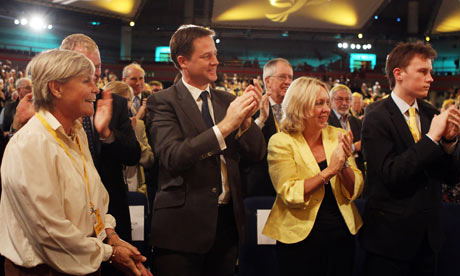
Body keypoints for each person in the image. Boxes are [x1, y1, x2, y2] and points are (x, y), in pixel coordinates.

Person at [0, 49, 151, 276]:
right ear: (56, 88)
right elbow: (49, 232)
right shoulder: (30, 143)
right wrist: (109, 252)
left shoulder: (76, 133)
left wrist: (111, 236)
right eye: (85, 81)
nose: (95, 89)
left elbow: (95, 198)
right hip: (42, 270)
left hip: (84, 261)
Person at [145, 24, 266, 276]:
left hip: (226, 226)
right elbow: (172, 157)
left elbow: (257, 153)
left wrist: (245, 124)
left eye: (215, 54)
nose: (216, 62)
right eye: (206, 56)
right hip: (181, 230)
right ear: (183, 61)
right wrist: (226, 126)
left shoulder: (227, 100)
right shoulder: (162, 101)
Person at [359, 41, 460, 276]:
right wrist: (432, 137)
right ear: (399, 74)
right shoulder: (375, 116)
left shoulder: (430, 113)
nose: (430, 79)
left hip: (429, 238)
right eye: (423, 72)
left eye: (431, 72)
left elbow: (451, 176)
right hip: (389, 241)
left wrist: (448, 143)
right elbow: (392, 174)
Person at [262, 76, 363, 276]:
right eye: (319, 103)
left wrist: (343, 166)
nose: (327, 109)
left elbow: (356, 189)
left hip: (341, 234)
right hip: (298, 239)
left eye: (327, 102)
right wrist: (329, 171)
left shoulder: (337, 135)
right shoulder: (281, 142)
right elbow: (290, 193)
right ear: (300, 106)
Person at [60, 34, 141, 246]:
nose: (95, 73)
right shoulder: (51, 106)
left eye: (97, 65)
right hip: (66, 218)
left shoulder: (113, 102)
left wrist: (107, 134)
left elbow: (133, 155)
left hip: (111, 213)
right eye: (87, 65)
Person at [243, 58, 293, 197]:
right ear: (268, 81)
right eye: (283, 77)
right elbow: (243, 146)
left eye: (290, 77)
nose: (288, 81)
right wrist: (261, 120)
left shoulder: (296, 111)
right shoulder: (251, 107)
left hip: (292, 186)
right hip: (261, 186)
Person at [105, 81, 154, 195]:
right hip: (109, 192)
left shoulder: (138, 125)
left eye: (127, 100)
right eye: (120, 100)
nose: (124, 104)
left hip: (136, 192)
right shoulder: (99, 128)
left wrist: (132, 136)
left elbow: (149, 161)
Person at [328, 84, 364, 173]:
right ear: (331, 101)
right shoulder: (326, 121)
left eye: (347, 99)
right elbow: (329, 150)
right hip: (337, 172)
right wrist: (353, 147)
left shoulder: (357, 122)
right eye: (340, 99)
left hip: (358, 169)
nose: (344, 103)